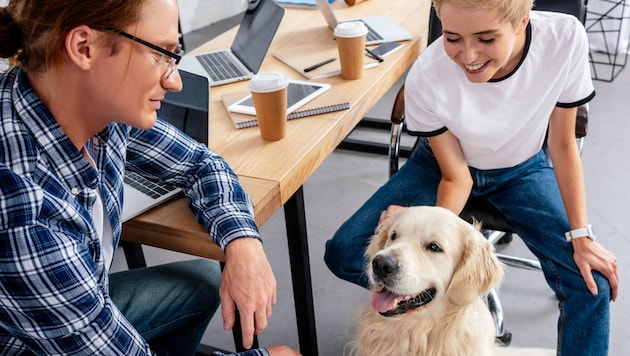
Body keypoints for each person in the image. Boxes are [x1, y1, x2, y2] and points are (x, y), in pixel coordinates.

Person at [0, 0, 299, 355]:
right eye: (161, 54)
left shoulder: (87, 106)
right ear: (84, 48)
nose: (173, 81)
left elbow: (200, 164)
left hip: (77, 314)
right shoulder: (26, 215)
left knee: (202, 280)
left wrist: (243, 242)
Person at [324, 0, 619, 354]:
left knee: (591, 283)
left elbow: (562, 144)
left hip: (521, 168)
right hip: (442, 167)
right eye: (452, 38)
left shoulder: (564, 39)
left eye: (486, 38)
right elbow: (457, 176)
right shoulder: (429, 72)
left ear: (522, 21)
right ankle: (419, 318)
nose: (468, 55)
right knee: (344, 251)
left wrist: (582, 236)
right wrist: (417, 231)